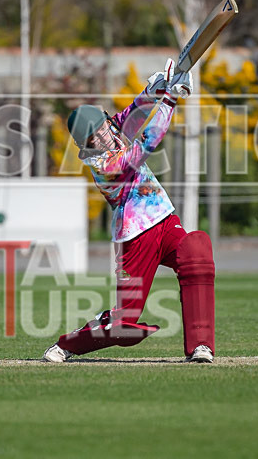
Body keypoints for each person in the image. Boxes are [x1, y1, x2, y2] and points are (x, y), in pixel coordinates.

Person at [42, 60, 216, 364]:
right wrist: (169, 100)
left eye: (100, 130)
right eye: (91, 139)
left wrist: (154, 89)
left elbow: (132, 116)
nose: (100, 138)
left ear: (106, 123)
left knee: (196, 252)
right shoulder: (103, 165)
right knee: (124, 326)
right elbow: (145, 144)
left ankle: (201, 346)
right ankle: (68, 345)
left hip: (165, 221)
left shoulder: (114, 130)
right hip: (135, 239)